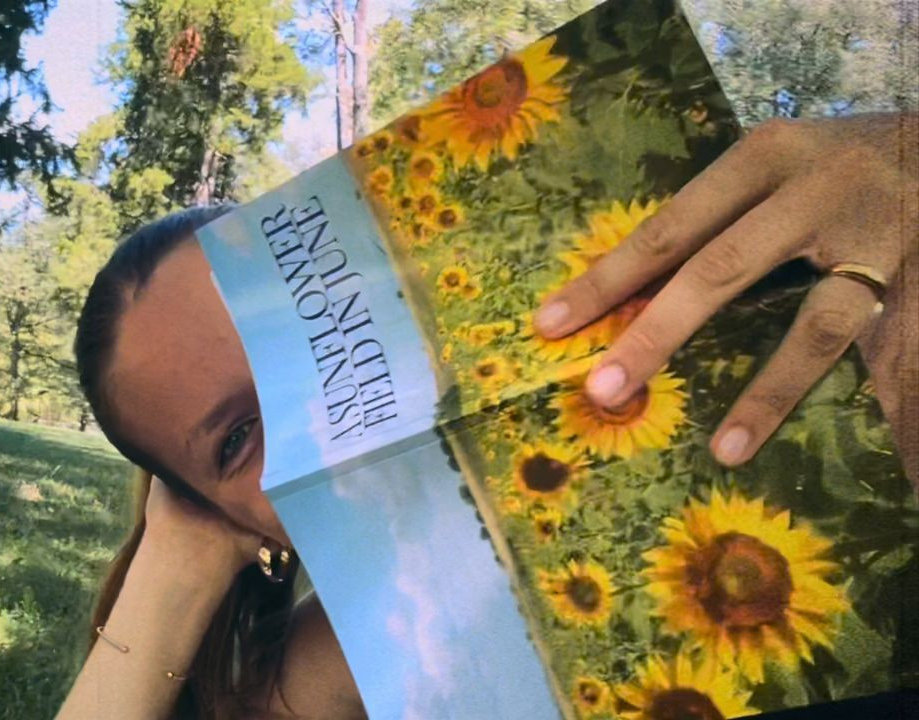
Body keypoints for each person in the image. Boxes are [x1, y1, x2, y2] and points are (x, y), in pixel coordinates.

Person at [54, 112, 917, 720]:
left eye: (315, 340)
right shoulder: (358, 664)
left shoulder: (793, 398)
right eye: (239, 436)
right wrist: (175, 564)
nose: (324, 410)